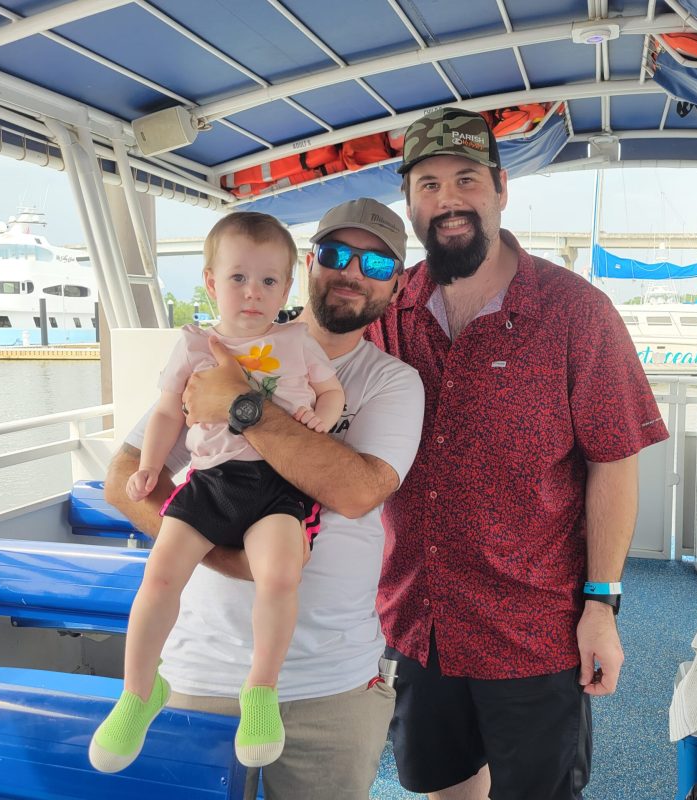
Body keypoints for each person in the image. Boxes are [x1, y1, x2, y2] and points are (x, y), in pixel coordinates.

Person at [367, 107, 671, 800]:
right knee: (443, 786)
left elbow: (614, 461)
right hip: (420, 620)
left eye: (466, 179)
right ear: (410, 202)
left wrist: (603, 603)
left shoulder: (577, 313)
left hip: (534, 629)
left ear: (501, 189)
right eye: (429, 183)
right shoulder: (388, 311)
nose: (448, 199)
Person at [103, 198, 424, 798]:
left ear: (396, 285)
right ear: (310, 264)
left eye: (377, 265)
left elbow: (356, 492)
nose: (353, 272)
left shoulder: (392, 382)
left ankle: (263, 688)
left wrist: (242, 406)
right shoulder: (213, 350)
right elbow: (125, 474)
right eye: (336, 254)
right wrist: (217, 554)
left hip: (333, 689)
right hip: (198, 670)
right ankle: (138, 692)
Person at [90, 211, 346, 773]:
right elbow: (165, 413)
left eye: (269, 281)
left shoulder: (297, 341)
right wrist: (150, 469)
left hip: (277, 485)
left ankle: (261, 691)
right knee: (159, 575)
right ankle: (138, 692)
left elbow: (333, 393)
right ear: (211, 282)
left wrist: (322, 417)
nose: (253, 293)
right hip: (209, 483)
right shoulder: (193, 345)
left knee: (281, 574)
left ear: (287, 286)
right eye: (238, 278)